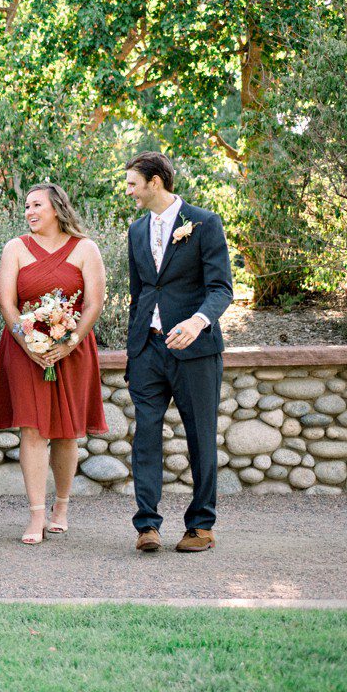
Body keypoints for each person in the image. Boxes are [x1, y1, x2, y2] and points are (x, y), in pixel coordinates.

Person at [124, 152, 232, 554]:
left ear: (155, 182)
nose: (129, 191)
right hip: (148, 348)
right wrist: (135, 350)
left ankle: (201, 525)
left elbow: (221, 288)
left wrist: (197, 322)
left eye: (134, 183)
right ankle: (147, 525)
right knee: (145, 437)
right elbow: (140, 294)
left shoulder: (204, 223)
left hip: (195, 350)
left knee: (201, 436)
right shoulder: (136, 231)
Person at [0, 184, 108, 544]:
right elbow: (7, 303)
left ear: (57, 208)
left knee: (65, 430)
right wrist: (27, 343)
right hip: (24, 350)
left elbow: (93, 304)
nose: (29, 211)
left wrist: (70, 342)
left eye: (37, 205)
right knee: (32, 429)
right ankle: (35, 515)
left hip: (71, 350)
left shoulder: (86, 249)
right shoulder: (15, 248)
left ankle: (61, 506)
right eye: (26, 206)